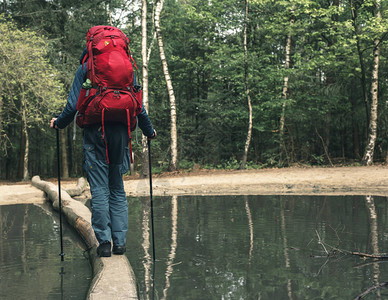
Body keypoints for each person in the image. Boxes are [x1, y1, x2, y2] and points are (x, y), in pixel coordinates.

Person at [50, 50, 156, 257]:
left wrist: (59, 123)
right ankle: (120, 244)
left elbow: (72, 106)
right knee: (117, 188)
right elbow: (138, 107)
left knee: (99, 189)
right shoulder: (127, 69)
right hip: (120, 135)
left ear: (90, 48)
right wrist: (149, 131)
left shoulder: (86, 68)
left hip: (95, 133)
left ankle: (104, 243)